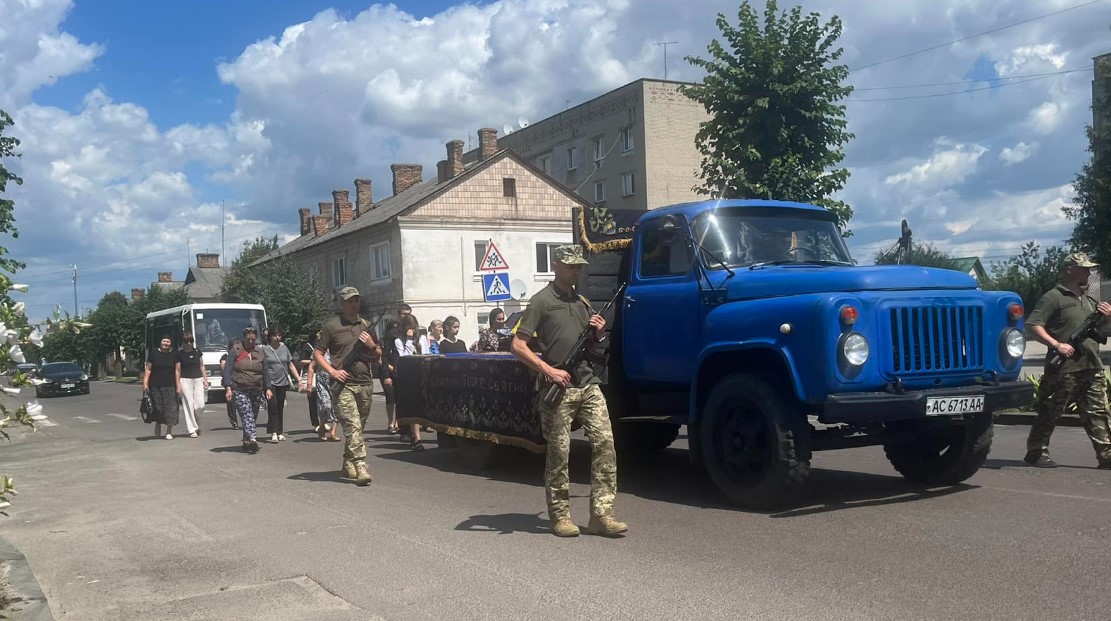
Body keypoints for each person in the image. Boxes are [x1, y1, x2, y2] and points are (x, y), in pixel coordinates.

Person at [510, 244, 626, 538]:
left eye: (579, 266)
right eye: (571, 266)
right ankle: (560, 516)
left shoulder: (582, 302)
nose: (576, 270)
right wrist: (548, 370)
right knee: (560, 453)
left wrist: (598, 334)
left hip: (587, 384)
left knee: (605, 445)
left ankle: (602, 514)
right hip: (557, 388)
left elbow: (592, 348)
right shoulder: (540, 301)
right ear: (556, 266)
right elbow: (518, 346)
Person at [1024, 252, 1111, 469]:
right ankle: (1036, 452)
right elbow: (1033, 325)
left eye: (1090, 269)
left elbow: (1101, 332)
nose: (1089, 272)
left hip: (1091, 365)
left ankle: (1106, 455)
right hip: (1064, 368)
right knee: (1050, 411)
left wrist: (1108, 318)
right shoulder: (1054, 297)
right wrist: (1057, 345)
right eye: (1084, 268)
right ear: (1070, 269)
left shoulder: (1090, 299)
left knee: (1099, 413)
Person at [315, 286, 382, 486]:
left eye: (356, 300)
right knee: (352, 426)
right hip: (343, 385)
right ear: (342, 304)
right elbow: (318, 353)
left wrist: (371, 343)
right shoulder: (331, 326)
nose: (353, 304)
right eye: (349, 301)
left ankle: (348, 461)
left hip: (365, 383)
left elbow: (378, 354)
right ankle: (361, 465)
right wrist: (333, 371)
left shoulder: (366, 325)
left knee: (358, 428)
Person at [224, 327, 271, 453]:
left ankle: (246, 440)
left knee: (252, 416)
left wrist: (268, 388)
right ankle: (253, 440)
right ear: (243, 338)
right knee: (247, 414)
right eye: (248, 339)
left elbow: (265, 371)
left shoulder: (260, 352)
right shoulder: (236, 350)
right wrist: (228, 388)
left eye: (253, 339)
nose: (251, 342)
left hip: (256, 389)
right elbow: (227, 370)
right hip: (239, 388)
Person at [391, 314, 426, 450]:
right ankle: (416, 438)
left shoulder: (422, 338)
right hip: (408, 376)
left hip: (422, 374)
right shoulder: (399, 341)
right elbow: (405, 357)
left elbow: (426, 354)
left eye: (413, 328)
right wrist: (409, 340)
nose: (412, 331)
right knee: (414, 407)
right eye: (409, 328)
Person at [262, 327, 299, 443]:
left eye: (279, 335)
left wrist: (299, 379)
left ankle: (280, 432)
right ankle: (273, 432)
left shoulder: (284, 348)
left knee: (280, 407)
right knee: (273, 406)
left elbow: (290, 364)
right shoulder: (265, 349)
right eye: (275, 335)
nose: (277, 338)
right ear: (270, 337)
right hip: (270, 382)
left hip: (282, 382)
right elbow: (261, 366)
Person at [143, 335, 181, 440]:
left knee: (170, 409)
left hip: (170, 385)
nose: (166, 343)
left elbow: (177, 371)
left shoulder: (175, 354)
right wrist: (145, 383)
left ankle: (169, 431)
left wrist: (178, 387)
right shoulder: (154, 353)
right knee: (158, 407)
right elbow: (148, 369)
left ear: (171, 343)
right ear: (160, 342)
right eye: (164, 341)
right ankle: (158, 424)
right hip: (155, 385)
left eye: (168, 341)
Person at [177, 331, 208, 438]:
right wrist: (178, 385)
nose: (189, 344)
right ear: (183, 342)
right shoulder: (179, 354)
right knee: (188, 405)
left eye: (191, 341)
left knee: (200, 405)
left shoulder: (197, 352)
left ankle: (196, 424)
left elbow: (202, 366)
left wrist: (205, 379)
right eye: (186, 342)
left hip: (198, 379)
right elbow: (177, 370)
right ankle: (192, 429)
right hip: (185, 380)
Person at [298, 332, 321, 433]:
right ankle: (316, 424)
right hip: (310, 376)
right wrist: (314, 361)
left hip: (321, 375)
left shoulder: (322, 347)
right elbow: (301, 361)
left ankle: (323, 422)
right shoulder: (307, 347)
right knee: (313, 402)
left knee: (323, 401)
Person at [219, 338, 241, 430]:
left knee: (241, 401)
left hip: (240, 381)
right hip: (230, 381)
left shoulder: (242, 355)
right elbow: (224, 367)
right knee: (231, 402)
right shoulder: (225, 356)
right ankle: (233, 421)